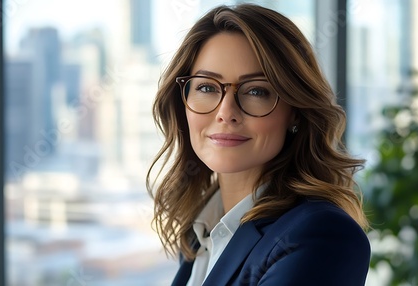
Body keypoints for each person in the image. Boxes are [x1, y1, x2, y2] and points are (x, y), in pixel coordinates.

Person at [146, 3, 371, 286]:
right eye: (206, 87)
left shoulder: (322, 235)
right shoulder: (200, 237)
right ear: (183, 105)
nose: (226, 112)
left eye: (256, 91)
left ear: (296, 112)